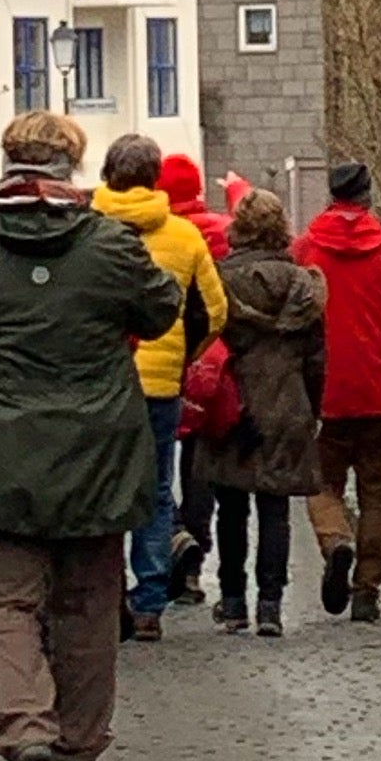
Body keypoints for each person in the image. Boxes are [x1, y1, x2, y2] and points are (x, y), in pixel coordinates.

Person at [0, 111, 178, 761]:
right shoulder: (111, 244)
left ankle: (26, 727)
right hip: (94, 449)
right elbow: (158, 313)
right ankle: (74, 748)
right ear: (72, 166)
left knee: (1, 600)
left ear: (7, 161)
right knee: (87, 602)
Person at [89, 132, 230, 640]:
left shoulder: (87, 229)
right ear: (154, 178)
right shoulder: (185, 237)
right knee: (156, 491)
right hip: (162, 383)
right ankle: (149, 602)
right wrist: (183, 358)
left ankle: (102, 595)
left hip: (98, 382)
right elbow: (215, 312)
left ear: (107, 174)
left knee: (100, 488)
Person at [293, 159, 381, 625]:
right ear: (368, 198)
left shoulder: (306, 251)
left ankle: (336, 542)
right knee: (375, 492)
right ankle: (367, 591)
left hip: (323, 394)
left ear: (331, 197)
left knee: (322, 484)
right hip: (379, 393)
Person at [199, 188, 325, 637]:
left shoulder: (219, 280)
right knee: (275, 508)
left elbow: (203, 341)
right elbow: (315, 357)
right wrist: (314, 405)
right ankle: (270, 604)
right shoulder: (303, 287)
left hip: (231, 405)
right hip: (286, 402)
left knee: (230, 507)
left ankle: (233, 601)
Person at [159, 152, 231, 605]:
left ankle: (173, 536)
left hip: (162, 364)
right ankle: (194, 564)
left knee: (156, 471)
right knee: (201, 472)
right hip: (216, 367)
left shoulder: (159, 235)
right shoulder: (223, 231)